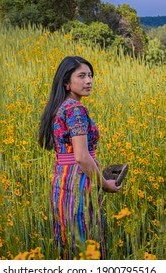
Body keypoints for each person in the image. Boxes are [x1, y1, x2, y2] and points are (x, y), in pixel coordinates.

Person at [39, 56, 122, 259]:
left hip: (62, 181)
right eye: (82, 76)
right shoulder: (76, 109)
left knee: (69, 239)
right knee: (86, 240)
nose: (89, 81)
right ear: (67, 83)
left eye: (91, 75)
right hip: (80, 182)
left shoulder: (61, 107)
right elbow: (82, 157)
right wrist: (105, 184)